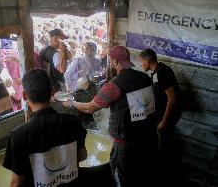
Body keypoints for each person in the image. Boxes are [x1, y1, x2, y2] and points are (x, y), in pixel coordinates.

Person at [63, 46, 158, 187]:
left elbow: (90, 108)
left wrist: (72, 103)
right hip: (147, 138)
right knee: (141, 175)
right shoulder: (145, 78)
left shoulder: (114, 85)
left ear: (114, 61)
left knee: (122, 179)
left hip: (126, 144)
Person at [3, 69, 87, 187]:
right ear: (52, 91)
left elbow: (16, 183)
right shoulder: (72, 121)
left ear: (24, 96)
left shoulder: (19, 136)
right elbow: (83, 155)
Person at [138, 48, 182, 185]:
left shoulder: (162, 72)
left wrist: (163, 121)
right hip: (161, 114)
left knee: (164, 144)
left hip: (169, 115)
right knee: (162, 142)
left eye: (141, 62)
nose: (141, 65)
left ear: (147, 60)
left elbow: (172, 98)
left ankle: (166, 177)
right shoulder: (155, 73)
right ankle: (163, 172)